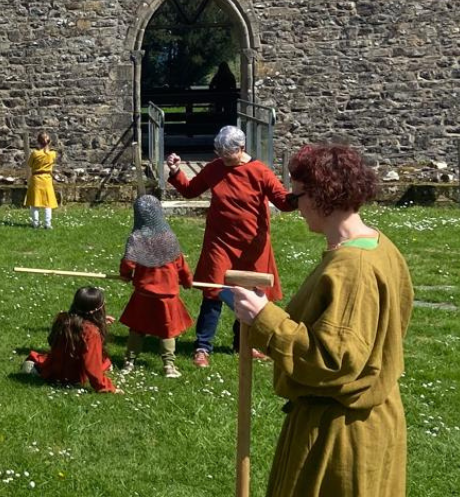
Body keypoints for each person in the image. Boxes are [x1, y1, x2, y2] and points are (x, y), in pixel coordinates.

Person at [231, 143, 412, 497]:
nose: (294, 207)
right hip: (364, 417)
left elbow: (335, 360)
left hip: (340, 433)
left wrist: (263, 318)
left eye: (295, 197)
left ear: (321, 196)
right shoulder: (378, 244)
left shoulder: (354, 267)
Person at [166, 125, 295, 368]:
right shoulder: (215, 168)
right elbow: (190, 190)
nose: (223, 158)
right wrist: (175, 171)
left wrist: (300, 194)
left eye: (228, 154)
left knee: (250, 294)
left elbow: (283, 202)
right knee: (213, 292)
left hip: (252, 245)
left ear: (241, 148)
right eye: (220, 153)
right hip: (220, 242)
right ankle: (202, 347)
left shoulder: (260, 171)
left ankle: (244, 343)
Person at [117, 195, 193, 378]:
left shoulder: (137, 238)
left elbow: (128, 263)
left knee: (137, 328)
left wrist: (125, 275)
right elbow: (181, 264)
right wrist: (187, 280)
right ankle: (169, 366)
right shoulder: (169, 238)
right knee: (167, 330)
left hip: (144, 293)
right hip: (167, 295)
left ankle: (129, 362)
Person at [22, 287, 121, 394]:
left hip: (55, 368)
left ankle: (35, 368)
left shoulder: (64, 320)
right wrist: (107, 387)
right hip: (72, 375)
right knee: (104, 361)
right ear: (98, 310)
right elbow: (91, 366)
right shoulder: (91, 332)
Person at [24, 131, 59, 229]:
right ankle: (47, 223)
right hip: (47, 179)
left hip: (36, 179)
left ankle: (35, 223)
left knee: (35, 202)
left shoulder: (35, 153)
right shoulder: (53, 154)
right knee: (48, 202)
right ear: (49, 141)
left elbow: (30, 164)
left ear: (38, 141)